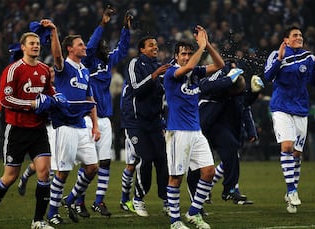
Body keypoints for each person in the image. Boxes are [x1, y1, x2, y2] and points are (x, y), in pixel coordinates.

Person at [0, 30, 60, 229]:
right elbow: (5, 99)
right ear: (23, 47)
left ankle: (38, 221)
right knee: (10, 177)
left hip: (38, 129)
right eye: (31, 43)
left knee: (44, 171)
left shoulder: (44, 69)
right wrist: (32, 104)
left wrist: (56, 98)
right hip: (17, 130)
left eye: (37, 43)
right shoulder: (13, 70)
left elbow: (49, 92)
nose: (36, 46)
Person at [70, 5, 132, 218]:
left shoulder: (108, 62)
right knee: (89, 163)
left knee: (105, 161)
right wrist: (103, 24)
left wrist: (125, 29)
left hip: (105, 118)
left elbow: (123, 50)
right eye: (104, 45)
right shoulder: (87, 62)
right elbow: (93, 42)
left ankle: (99, 201)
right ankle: (78, 201)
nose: (107, 48)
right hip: (88, 118)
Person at [163, 25, 224, 229]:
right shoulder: (171, 73)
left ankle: (193, 213)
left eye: (189, 53)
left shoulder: (196, 72)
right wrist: (201, 48)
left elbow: (220, 64)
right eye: (183, 54)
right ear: (176, 56)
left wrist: (208, 46)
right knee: (176, 177)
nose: (187, 57)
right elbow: (187, 67)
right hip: (177, 132)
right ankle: (174, 221)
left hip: (196, 132)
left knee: (209, 172)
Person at [43, 19, 101, 226]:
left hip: (81, 125)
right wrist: (54, 32)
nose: (84, 47)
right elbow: (57, 55)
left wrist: (94, 125)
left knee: (93, 167)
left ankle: (69, 200)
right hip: (65, 125)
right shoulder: (63, 67)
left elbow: (90, 100)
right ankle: (51, 213)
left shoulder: (84, 70)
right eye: (80, 44)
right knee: (63, 171)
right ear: (70, 49)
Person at [263, 25, 315, 214]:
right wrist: (279, 60)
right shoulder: (276, 54)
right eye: (295, 35)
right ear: (286, 40)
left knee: (297, 155)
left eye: (301, 35)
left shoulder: (309, 57)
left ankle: (290, 195)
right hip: (281, 107)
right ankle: (292, 189)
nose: (299, 37)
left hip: (301, 109)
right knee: (287, 147)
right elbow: (267, 76)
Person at [187, 62, 262, 206]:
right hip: (200, 125)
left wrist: (253, 93)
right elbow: (205, 86)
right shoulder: (217, 78)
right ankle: (196, 199)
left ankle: (230, 189)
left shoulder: (233, 89)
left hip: (217, 127)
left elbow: (243, 104)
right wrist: (228, 79)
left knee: (231, 149)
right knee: (197, 167)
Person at [119, 35, 170, 217]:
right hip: (135, 122)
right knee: (145, 158)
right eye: (150, 45)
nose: (155, 47)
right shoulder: (135, 64)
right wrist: (155, 75)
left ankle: (167, 200)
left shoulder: (159, 67)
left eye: (156, 44)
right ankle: (138, 199)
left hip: (154, 122)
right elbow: (137, 89)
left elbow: (162, 96)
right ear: (142, 49)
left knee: (163, 160)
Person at [18, 66, 56, 196]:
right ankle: (49, 195)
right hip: (46, 127)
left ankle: (25, 176)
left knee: (43, 164)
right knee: (49, 163)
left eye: (53, 72)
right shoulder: (39, 89)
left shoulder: (57, 89)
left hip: (58, 128)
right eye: (50, 72)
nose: (52, 74)